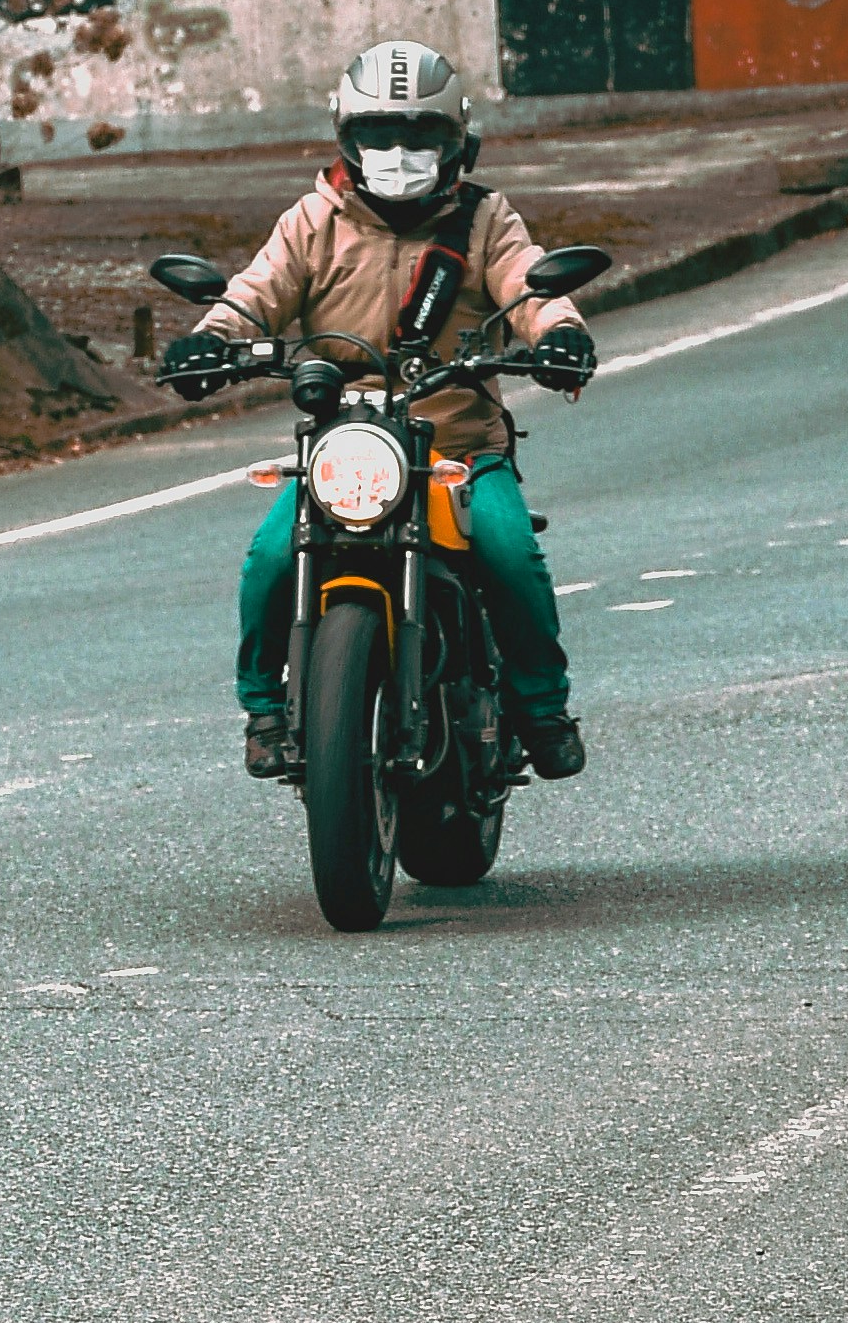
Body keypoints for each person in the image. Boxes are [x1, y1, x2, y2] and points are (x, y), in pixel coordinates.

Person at [161, 39, 596, 784]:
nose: (400, 153)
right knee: (270, 559)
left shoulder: (484, 220)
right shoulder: (311, 220)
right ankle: (265, 710)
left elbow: (531, 286)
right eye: (379, 136)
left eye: (421, 136)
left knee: (511, 554)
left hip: (457, 449)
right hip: (345, 451)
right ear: (347, 142)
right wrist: (210, 344)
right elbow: (251, 295)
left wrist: (560, 334)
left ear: (457, 142)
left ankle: (541, 707)